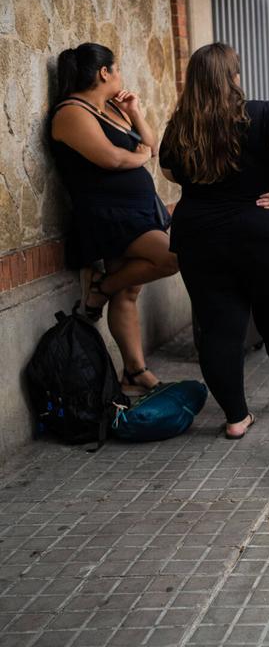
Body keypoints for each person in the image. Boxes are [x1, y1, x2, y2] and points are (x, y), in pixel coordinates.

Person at [159, 43, 269, 438]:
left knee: (218, 331)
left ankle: (236, 419)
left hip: (200, 237)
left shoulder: (180, 127)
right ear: (233, 78)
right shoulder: (261, 114)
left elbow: (169, 173)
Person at [46, 42, 178, 394]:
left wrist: (134, 112)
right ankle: (99, 290)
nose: (120, 74)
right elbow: (112, 159)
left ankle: (134, 373)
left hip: (136, 210)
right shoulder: (71, 113)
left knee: (129, 289)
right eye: (116, 68)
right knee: (173, 256)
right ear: (104, 72)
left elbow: (150, 142)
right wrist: (140, 156)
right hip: (108, 215)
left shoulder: (109, 108)